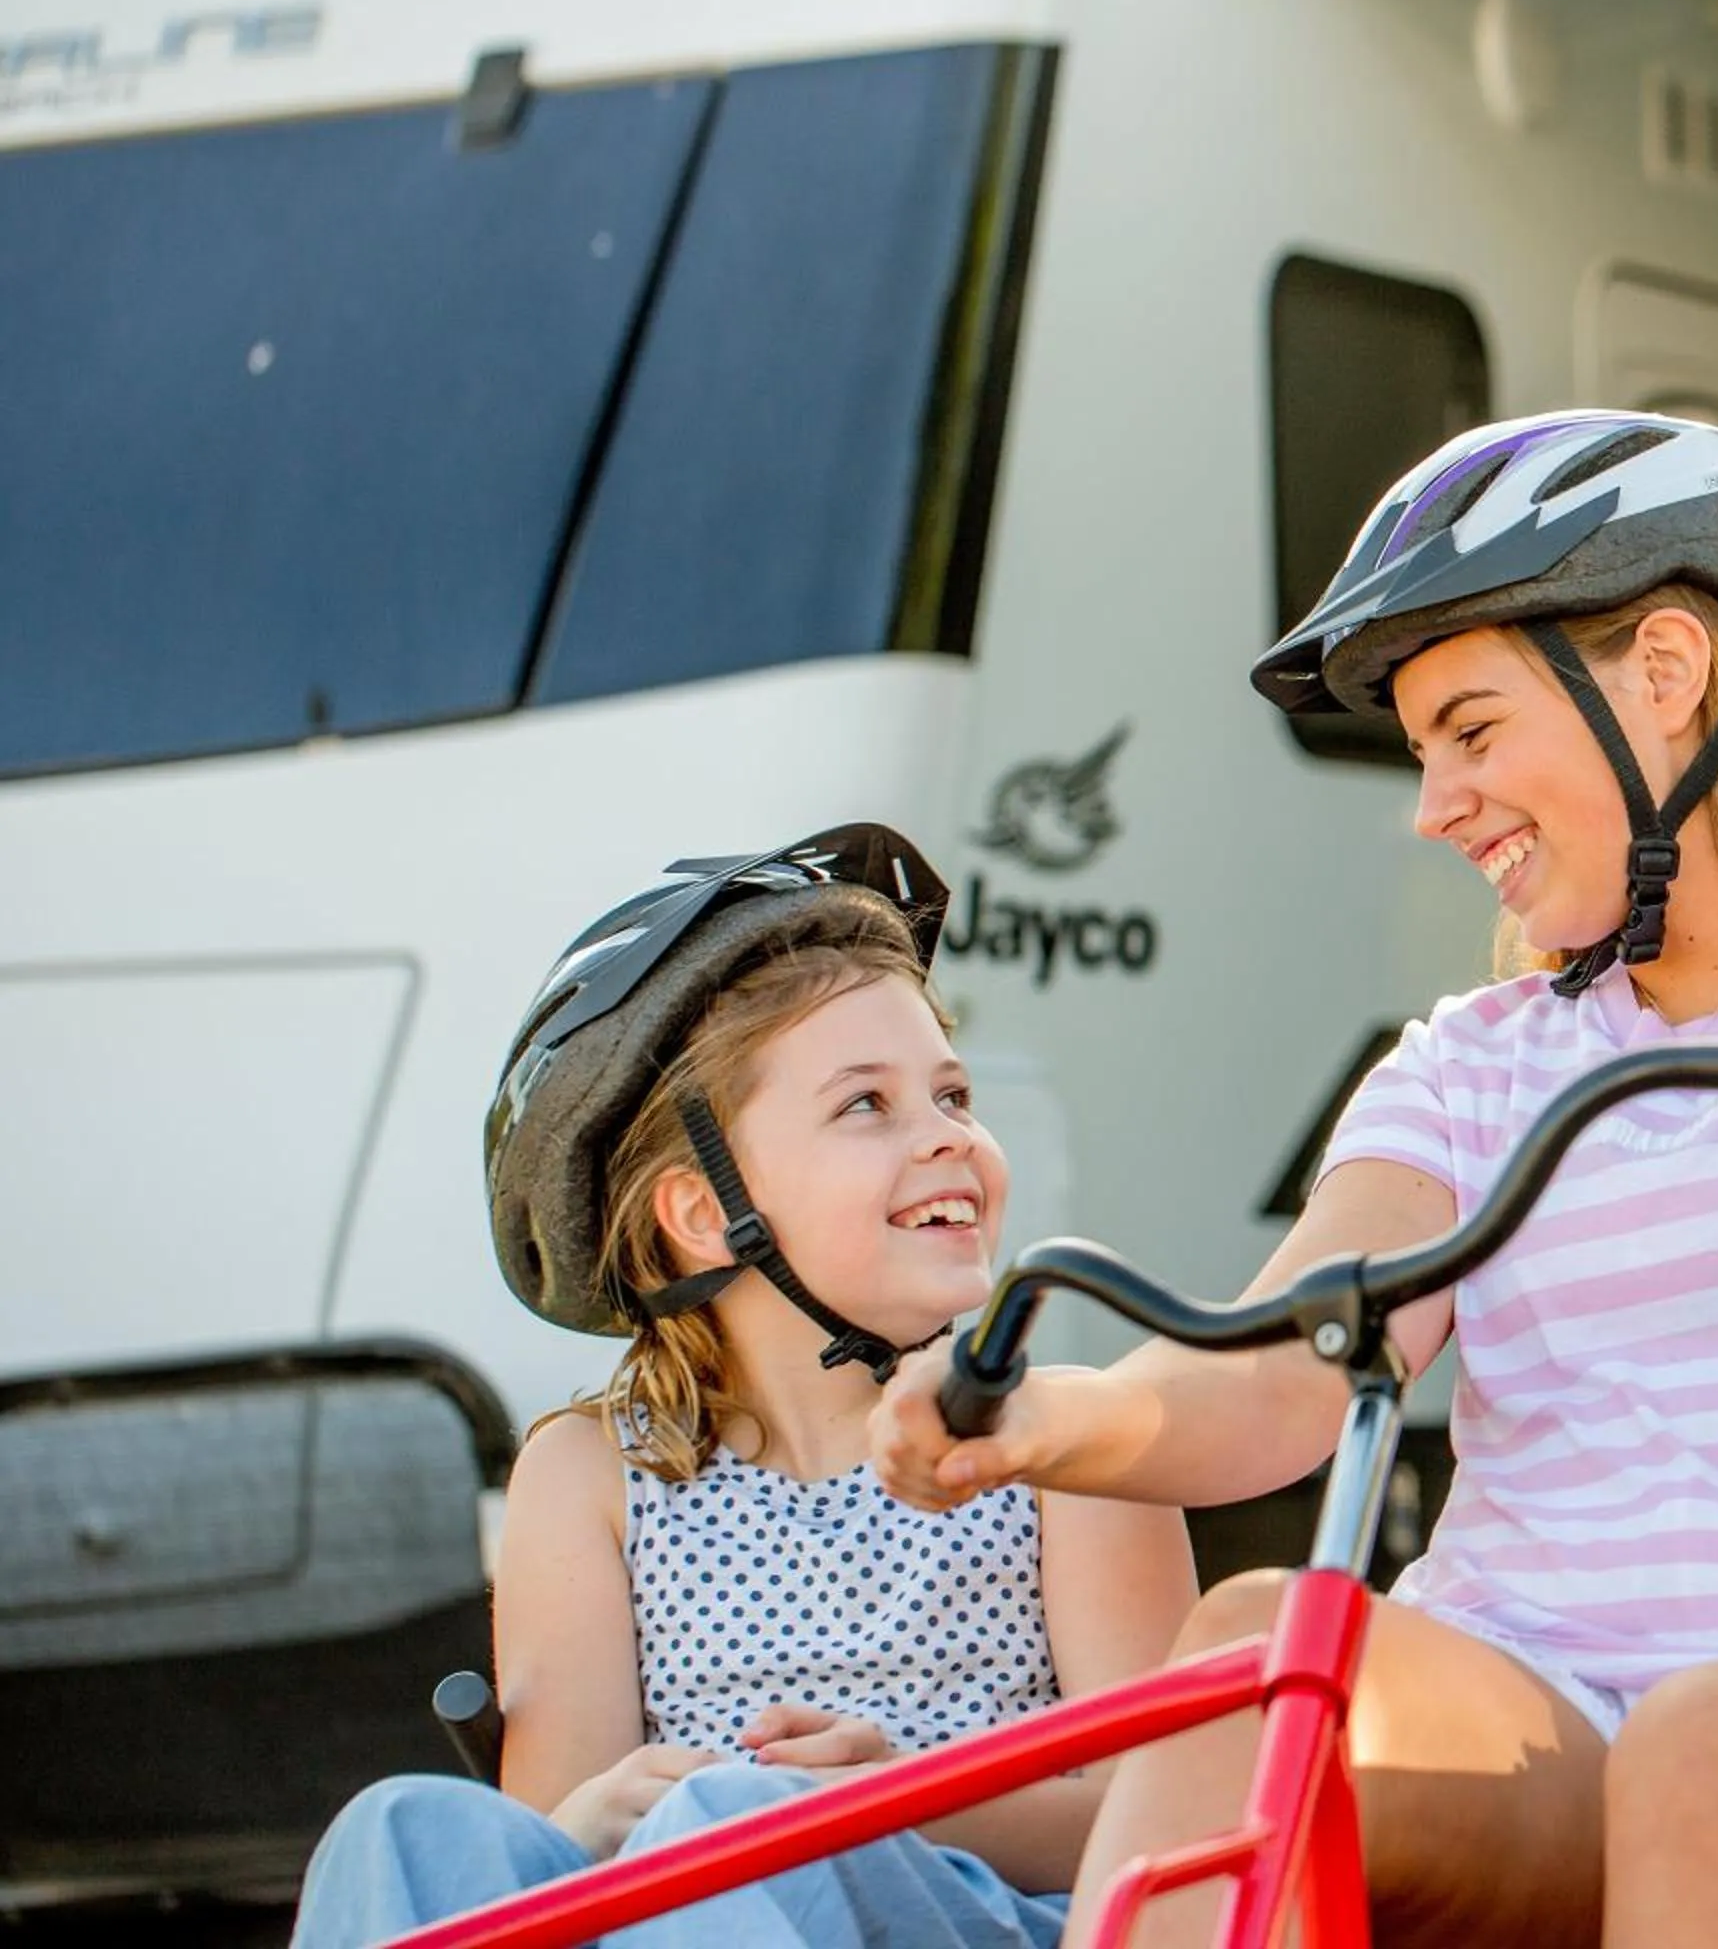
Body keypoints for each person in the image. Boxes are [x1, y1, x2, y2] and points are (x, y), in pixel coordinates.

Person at [874, 413, 1718, 1948]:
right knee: (1256, 1655)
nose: (1434, 807)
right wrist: (1052, 1416)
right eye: (1424, 754)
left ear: (1667, 673)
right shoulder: (1471, 1066)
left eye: (1474, 733)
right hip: (1548, 1710)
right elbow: (1291, 1362)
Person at [293, 825, 1196, 1949]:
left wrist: (903, 1794)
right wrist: (584, 1824)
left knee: (728, 1820)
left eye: (953, 1095)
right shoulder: (590, 1474)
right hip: (681, 1906)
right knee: (400, 1831)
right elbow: (544, 1842)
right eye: (868, 1103)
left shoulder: (1062, 1440)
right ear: (704, 1210)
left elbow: (1171, 1812)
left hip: (979, 1913)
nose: (947, 1137)